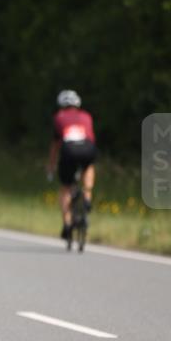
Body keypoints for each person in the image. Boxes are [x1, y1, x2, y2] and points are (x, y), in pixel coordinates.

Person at [47, 89, 97, 241]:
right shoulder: (86, 116)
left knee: (66, 188)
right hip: (88, 147)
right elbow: (91, 136)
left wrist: (51, 165)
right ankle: (87, 196)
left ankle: (67, 224)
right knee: (89, 167)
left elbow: (55, 146)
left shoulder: (58, 117)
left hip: (69, 150)